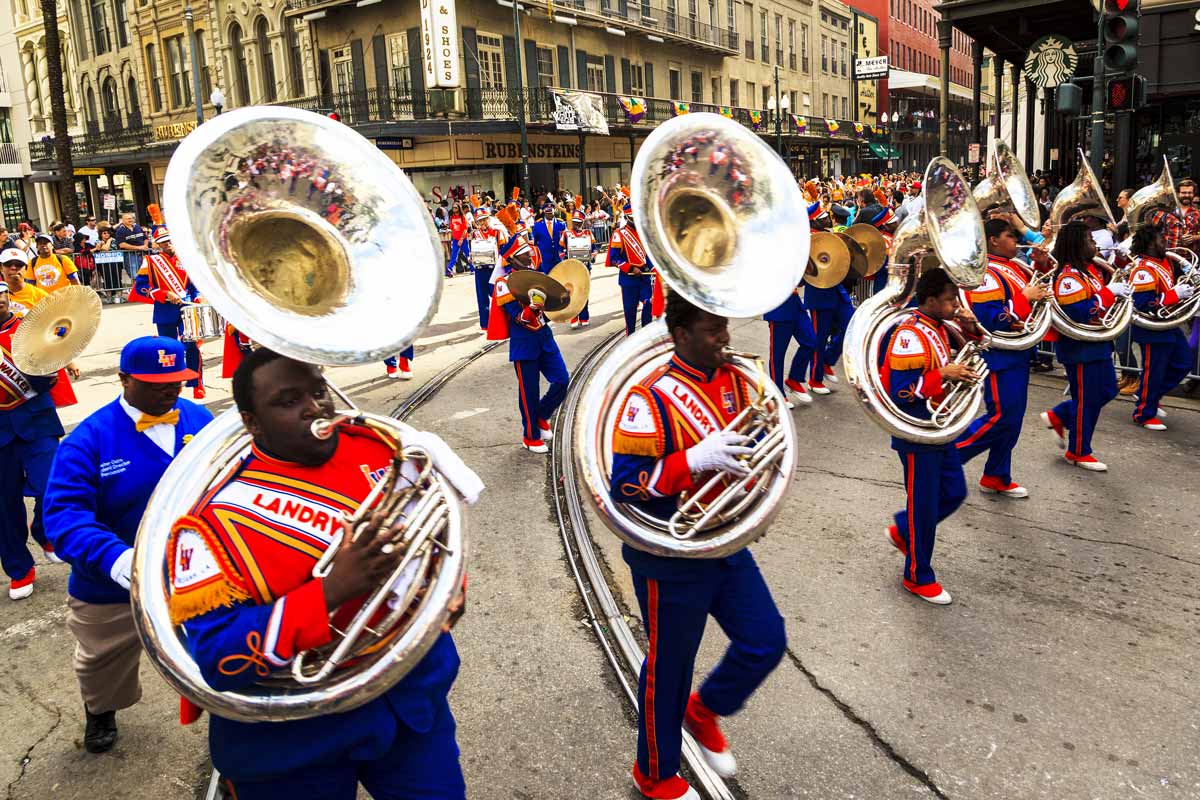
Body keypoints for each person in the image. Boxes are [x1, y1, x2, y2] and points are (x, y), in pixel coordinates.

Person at [166, 349, 475, 799]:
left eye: (317, 390)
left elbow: (437, 535)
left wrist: (447, 590)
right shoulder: (209, 526)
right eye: (289, 401)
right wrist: (329, 591)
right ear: (252, 423)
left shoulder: (381, 449)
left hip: (411, 706)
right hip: (295, 741)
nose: (315, 407)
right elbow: (217, 659)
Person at [609, 292, 786, 800]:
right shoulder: (648, 399)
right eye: (713, 330)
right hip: (669, 554)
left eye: (724, 326)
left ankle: (703, 710)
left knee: (765, 639)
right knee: (670, 665)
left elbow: (757, 443)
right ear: (681, 335)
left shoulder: (736, 382)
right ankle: (655, 772)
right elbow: (628, 483)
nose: (725, 338)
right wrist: (695, 460)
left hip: (722, 541)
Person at [44, 336, 211, 752]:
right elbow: (63, 518)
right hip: (111, 582)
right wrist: (118, 559)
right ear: (123, 380)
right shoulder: (87, 439)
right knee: (102, 663)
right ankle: (100, 711)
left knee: (220, 653)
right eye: (155, 382)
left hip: (191, 571)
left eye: (176, 380)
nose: (169, 389)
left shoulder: (200, 419)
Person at [882, 268, 980, 605]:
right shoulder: (909, 335)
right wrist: (942, 374)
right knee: (923, 506)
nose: (955, 305)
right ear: (930, 300)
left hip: (940, 426)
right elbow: (901, 392)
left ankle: (904, 531)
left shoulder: (940, 327)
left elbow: (981, 349)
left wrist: (970, 329)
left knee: (954, 491)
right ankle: (917, 575)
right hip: (916, 431)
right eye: (950, 300)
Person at [955, 218, 1050, 498]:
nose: (1016, 240)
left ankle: (996, 474)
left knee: (1013, 419)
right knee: (1002, 417)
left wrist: (1042, 265)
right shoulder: (985, 272)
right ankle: (947, 459)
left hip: (1017, 353)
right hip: (998, 355)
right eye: (1011, 236)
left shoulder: (1014, 266)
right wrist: (1025, 298)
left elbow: (1035, 286)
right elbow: (990, 317)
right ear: (993, 240)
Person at [1039, 220, 1127, 472]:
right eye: (1090, 240)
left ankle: (1060, 416)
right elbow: (1079, 311)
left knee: (1107, 390)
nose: (1095, 244)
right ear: (1079, 244)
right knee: (1087, 399)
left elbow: (1103, 292)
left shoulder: (1087, 270)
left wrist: (1121, 263)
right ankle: (1078, 451)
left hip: (1097, 344)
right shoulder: (1069, 277)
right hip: (1080, 348)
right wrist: (1110, 293)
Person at [0, 279, 66, 600]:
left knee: (51, 484)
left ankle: (43, 529)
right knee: (5, 503)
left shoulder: (28, 328)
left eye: (1, 295)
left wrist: (49, 371)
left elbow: (53, 366)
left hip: (37, 419)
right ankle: (19, 567)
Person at [490, 237, 568, 454]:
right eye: (525, 253)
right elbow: (519, 318)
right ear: (514, 259)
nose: (530, 255)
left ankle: (542, 415)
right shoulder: (503, 284)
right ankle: (530, 436)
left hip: (545, 337)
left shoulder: (536, 275)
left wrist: (563, 300)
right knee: (528, 393)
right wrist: (533, 308)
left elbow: (552, 309)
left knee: (562, 380)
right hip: (524, 344)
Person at [1127, 226, 1194, 430]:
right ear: (1149, 243)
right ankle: (1143, 413)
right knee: (1153, 371)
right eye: (1161, 239)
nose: (1165, 241)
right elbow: (1143, 303)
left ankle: (1149, 396)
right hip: (1152, 328)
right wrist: (1175, 295)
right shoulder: (1143, 269)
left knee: (1184, 362)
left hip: (1168, 324)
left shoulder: (1163, 261)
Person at [133, 227, 206, 399]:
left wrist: (197, 298)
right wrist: (163, 294)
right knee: (168, 349)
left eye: (170, 239)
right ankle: (172, 384)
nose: (169, 243)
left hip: (187, 308)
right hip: (164, 310)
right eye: (164, 241)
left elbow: (194, 287)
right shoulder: (150, 261)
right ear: (158, 244)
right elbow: (141, 287)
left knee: (192, 345)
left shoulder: (186, 259)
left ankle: (196, 383)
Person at [608, 200, 658, 336]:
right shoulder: (619, 234)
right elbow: (614, 258)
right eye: (632, 219)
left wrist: (654, 269)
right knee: (630, 312)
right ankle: (630, 337)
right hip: (628, 280)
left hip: (645, 278)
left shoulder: (645, 233)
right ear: (627, 217)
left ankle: (646, 336)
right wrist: (630, 268)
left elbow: (648, 255)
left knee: (648, 304)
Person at [559, 210, 595, 328]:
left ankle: (584, 316)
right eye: (574, 222)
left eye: (579, 222)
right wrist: (564, 259)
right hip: (571, 268)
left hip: (585, 267)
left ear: (582, 222)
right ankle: (573, 317)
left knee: (583, 291)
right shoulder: (566, 234)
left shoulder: (588, 233)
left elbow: (594, 249)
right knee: (572, 292)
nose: (576, 225)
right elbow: (560, 250)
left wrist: (592, 257)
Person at [469, 208, 501, 331]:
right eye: (480, 221)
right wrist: (471, 258)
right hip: (480, 269)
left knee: (498, 295)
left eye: (484, 220)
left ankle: (500, 321)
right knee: (482, 297)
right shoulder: (474, 234)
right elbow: (472, 250)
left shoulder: (497, 232)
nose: (483, 223)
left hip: (495, 269)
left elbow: (501, 249)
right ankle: (485, 324)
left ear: (488, 219)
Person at [2, 248, 51, 316]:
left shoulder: (41, 297)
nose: (13, 268)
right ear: (1, 268)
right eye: (8, 264)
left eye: (18, 264)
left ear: (26, 269)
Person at [531, 202, 566, 275]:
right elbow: (535, 242)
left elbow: (566, 239)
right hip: (544, 258)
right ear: (544, 212)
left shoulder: (561, 224)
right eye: (548, 213)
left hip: (559, 256)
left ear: (554, 212)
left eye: (551, 213)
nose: (550, 215)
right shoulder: (538, 225)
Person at [447, 203, 469, 278]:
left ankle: (473, 268)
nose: (454, 209)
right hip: (456, 239)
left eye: (456, 207)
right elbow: (452, 229)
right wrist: (453, 239)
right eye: (453, 208)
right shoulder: (452, 217)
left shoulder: (463, 217)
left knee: (467, 254)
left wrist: (461, 239)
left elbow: (465, 229)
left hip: (463, 239)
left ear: (459, 208)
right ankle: (449, 269)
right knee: (454, 255)